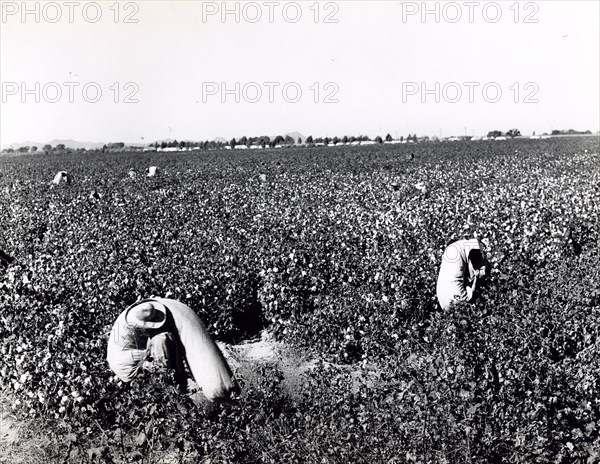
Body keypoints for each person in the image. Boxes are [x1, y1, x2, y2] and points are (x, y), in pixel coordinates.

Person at [107, 298, 236, 401]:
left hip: (130, 356)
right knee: (161, 343)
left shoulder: (138, 317)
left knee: (164, 341)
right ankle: (170, 389)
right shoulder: (132, 338)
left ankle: (174, 385)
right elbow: (149, 356)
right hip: (124, 361)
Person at [436, 238, 489, 311]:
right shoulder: (473, 247)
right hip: (458, 296)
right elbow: (476, 272)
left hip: (442, 301)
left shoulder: (454, 248)